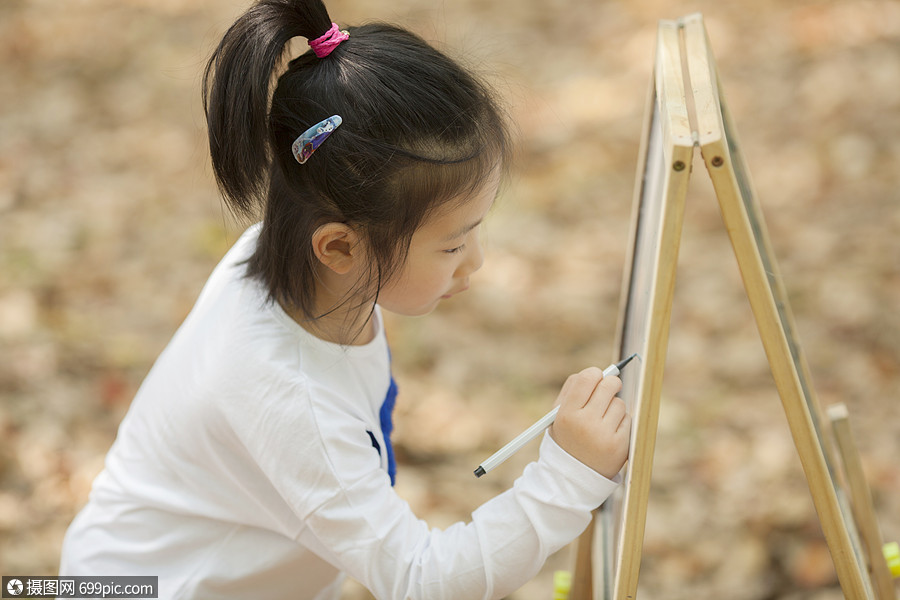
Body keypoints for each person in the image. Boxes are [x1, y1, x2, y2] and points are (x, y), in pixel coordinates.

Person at [59, 0, 631, 598]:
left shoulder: (300, 268)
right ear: (338, 248)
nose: (477, 263)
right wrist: (569, 477)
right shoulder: (288, 397)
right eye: (452, 245)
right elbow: (421, 580)